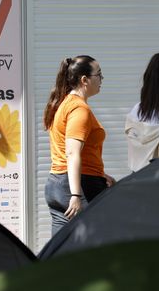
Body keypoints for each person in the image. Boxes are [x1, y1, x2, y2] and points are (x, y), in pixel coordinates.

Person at [43, 55, 115, 236]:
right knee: (92, 244)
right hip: (77, 185)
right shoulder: (79, 109)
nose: (101, 80)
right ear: (84, 80)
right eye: (98, 75)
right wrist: (75, 195)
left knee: (62, 247)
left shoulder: (62, 103)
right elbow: (72, 153)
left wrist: (101, 175)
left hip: (57, 183)